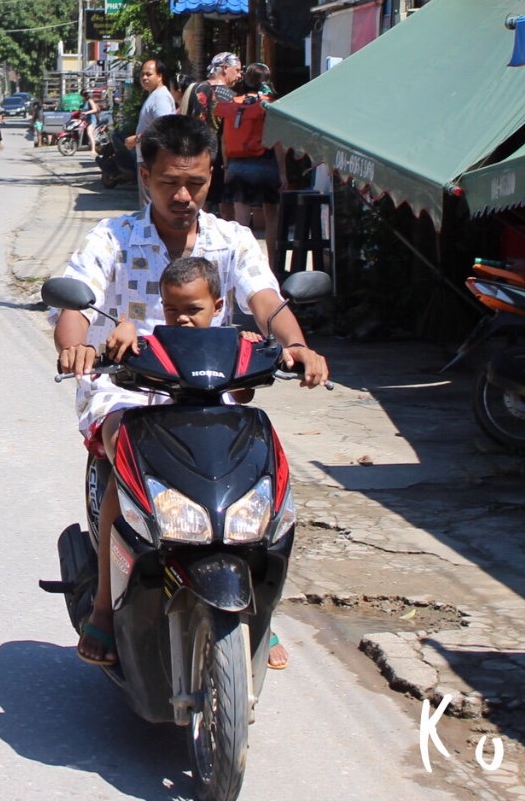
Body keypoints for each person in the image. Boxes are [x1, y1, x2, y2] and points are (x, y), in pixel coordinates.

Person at [48, 114, 328, 667]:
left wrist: (297, 345)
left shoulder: (232, 240)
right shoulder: (114, 237)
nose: (183, 195)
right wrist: (74, 346)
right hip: (128, 390)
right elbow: (74, 301)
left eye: (196, 183)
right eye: (169, 182)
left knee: (259, 471)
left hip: (208, 388)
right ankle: (104, 611)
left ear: (212, 176)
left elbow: (267, 299)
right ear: (145, 176)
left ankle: (260, 609)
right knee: (126, 464)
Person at [218, 63, 285, 240]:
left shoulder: (234, 103)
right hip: (266, 163)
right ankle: (272, 265)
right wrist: (283, 173)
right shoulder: (269, 105)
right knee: (272, 217)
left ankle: (239, 263)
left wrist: (226, 167)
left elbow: (225, 139)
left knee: (241, 221)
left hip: (237, 165)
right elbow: (277, 141)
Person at [183, 53, 242, 219]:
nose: (238, 75)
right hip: (222, 157)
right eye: (236, 70)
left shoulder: (198, 89)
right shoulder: (231, 96)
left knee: (202, 200)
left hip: (198, 152)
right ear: (225, 69)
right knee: (226, 203)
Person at [124, 59, 176, 205]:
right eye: (142, 75)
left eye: (149, 74)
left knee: (151, 208)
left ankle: (152, 229)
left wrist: (135, 140)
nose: (144, 78)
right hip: (148, 159)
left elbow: (164, 129)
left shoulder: (161, 98)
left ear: (160, 76)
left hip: (154, 159)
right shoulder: (154, 96)